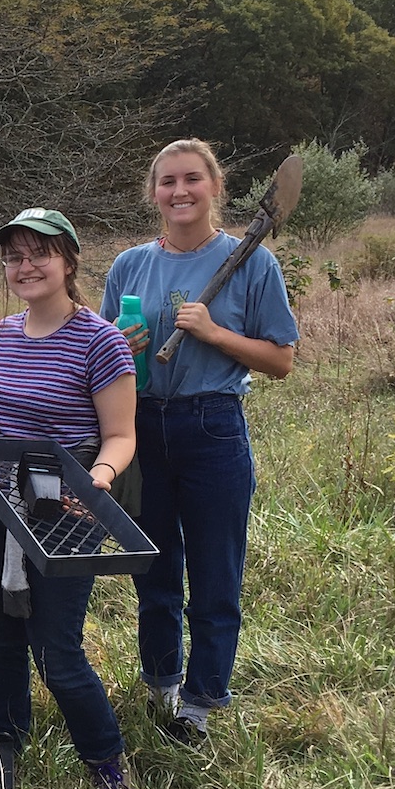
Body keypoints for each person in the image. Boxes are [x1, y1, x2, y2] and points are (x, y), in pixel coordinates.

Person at [101, 138, 298, 742]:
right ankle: (161, 683)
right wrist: (118, 346)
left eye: (192, 179)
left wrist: (214, 333)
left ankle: (203, 700)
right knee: (153, 567)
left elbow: (281, 359)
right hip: (140, 424)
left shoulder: (251, 261)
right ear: (153, 192)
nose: (179, 191)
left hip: (212, 425)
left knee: (216, 571)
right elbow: (102, 346)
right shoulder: (130, 264)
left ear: (215, 187)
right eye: (167, 182)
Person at [0, 208, 135, 789]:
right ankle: (4, 756)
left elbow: (120, 436)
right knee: (0, 641)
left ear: (68, 261)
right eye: (14, 257)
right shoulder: (3, 334)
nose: (25, 266)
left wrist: (98, 481)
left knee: (57, 652)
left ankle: (107, 765)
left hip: (67, 509)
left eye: (39, 254)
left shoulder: (100, 340)